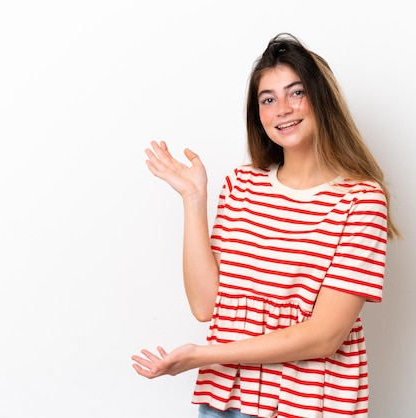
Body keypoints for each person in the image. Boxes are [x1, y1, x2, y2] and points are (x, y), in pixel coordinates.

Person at [132, 33, 399, 418]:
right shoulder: (243, 186)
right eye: (268, 99)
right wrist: (194, 201)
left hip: (306, 404)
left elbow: (324, 336)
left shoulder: (359, 200)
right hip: (225, 401)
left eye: (296, 93)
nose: (283, 109)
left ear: (321, 99)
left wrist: (204, 355)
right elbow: (207, 306)